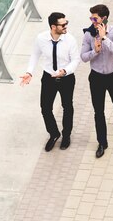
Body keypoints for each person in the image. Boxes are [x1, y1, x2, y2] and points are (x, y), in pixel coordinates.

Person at [20, 12, 80, 151]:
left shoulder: (70, 40)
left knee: (67, 107)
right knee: (45, 108)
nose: (66, 26)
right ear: (53, 27)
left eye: (66, 23)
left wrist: (65, 71)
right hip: (48, 78)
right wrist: (29, 72)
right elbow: (35, 55)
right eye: (63, 24)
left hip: (66, 78)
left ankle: (66, 135)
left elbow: (75, 59)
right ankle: (54, 134)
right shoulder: (41, 38)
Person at [81, 4, 113, 158]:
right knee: (98, 111)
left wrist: (104, 39)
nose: (92, 21)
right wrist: (95, 50)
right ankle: (102, 142)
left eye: (95, 18)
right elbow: (83, 57)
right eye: (91, 18)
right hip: (96, 78)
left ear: (104, 19)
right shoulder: (88, 35)